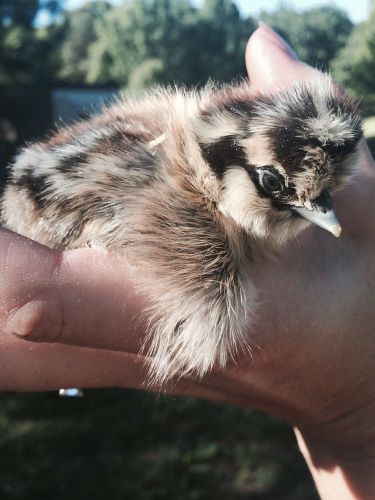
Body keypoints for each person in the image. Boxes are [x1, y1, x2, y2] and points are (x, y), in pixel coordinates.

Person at [0, 24, 374, 499]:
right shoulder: (196, 233)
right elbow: (200, 330)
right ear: (226, 161)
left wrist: (359, 420)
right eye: (277, 187)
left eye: (326, 193)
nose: (320, 208)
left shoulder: (193, 141)